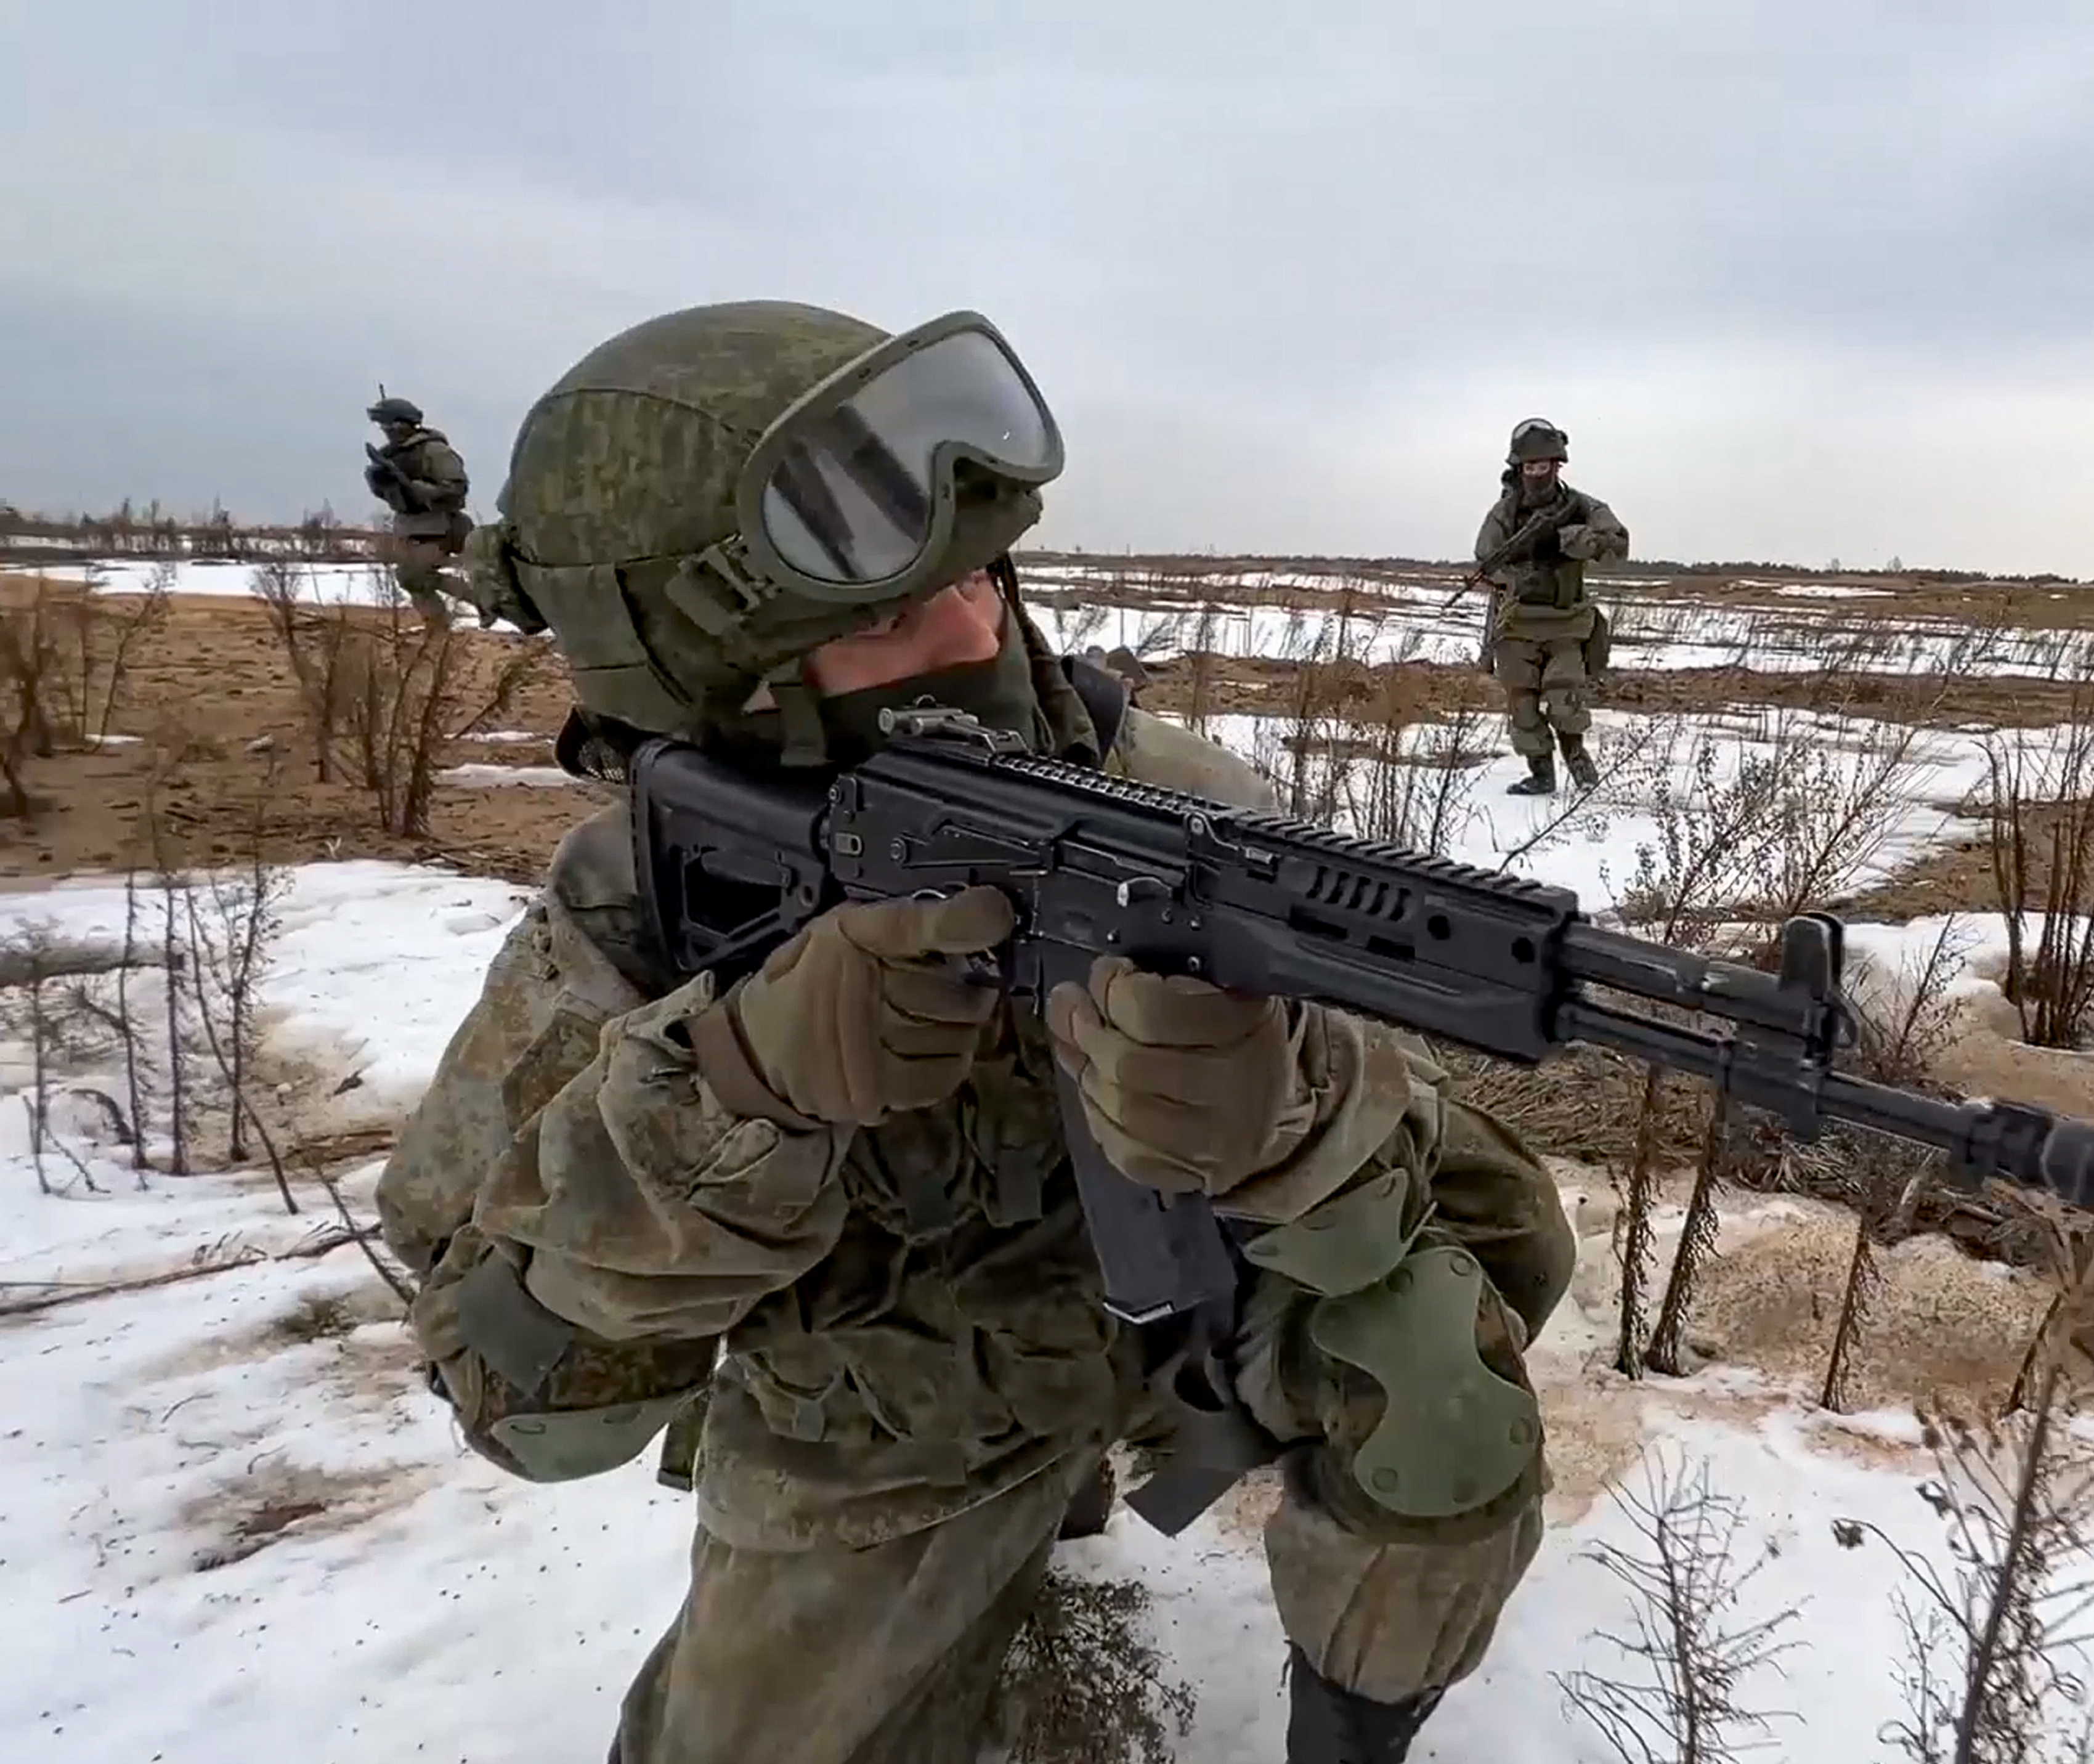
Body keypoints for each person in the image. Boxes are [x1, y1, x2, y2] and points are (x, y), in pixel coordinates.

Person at [376, 300, 1575, 1764]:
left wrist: (1296, 1109)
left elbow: (1503, 1217)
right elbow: (524, 1403)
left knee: (1441, 1380)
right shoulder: (637, 905)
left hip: (1183, 1318)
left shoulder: (1179, 800)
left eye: (987, 579)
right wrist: (734, 1091)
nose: (974, 632)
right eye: (883, 616)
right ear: (713, 685)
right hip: (881, 1412)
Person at [1472, 418, 1628, 796]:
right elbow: (1485, 561)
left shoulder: (1582, 506)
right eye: (1530, 467)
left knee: (1565, 702)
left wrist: (1575, 541)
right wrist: (1516, 575)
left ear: (1557, 466)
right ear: (1518, 469)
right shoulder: (1505, 514)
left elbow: (1618, 545)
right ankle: (1541, 775)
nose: (1536, 474)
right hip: (1518, 624)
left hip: (1566, 624)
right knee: (1522, 706)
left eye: (1544, 466)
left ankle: (1580, 768)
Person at [362, 394, 473, 608]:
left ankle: (480, 601)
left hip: (440, 526)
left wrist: (412, 485)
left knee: (412, 576)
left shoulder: (434, 450)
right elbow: (394, 497)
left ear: (402, 424)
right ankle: (436, 631)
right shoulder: (391, 455)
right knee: (412, 580)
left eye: (388, 424)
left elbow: (456, 488)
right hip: (410, 527)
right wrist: (381, 484)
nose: (385, 430)